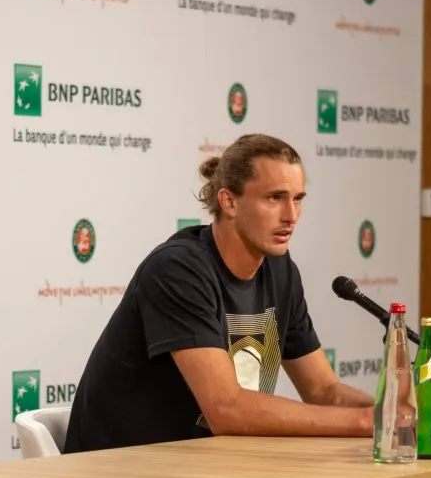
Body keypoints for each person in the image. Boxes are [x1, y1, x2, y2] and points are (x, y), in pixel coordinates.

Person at [62, 133, 375, 454]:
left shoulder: (280, 271)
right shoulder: (178, 270)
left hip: (206, 467)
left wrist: (398, 412)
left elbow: (323, 390)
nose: (291, 216)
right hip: (119, 473)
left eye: (298, 199)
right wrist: (367, 423)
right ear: (229, 201)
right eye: (274, 198)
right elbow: (225, 409)